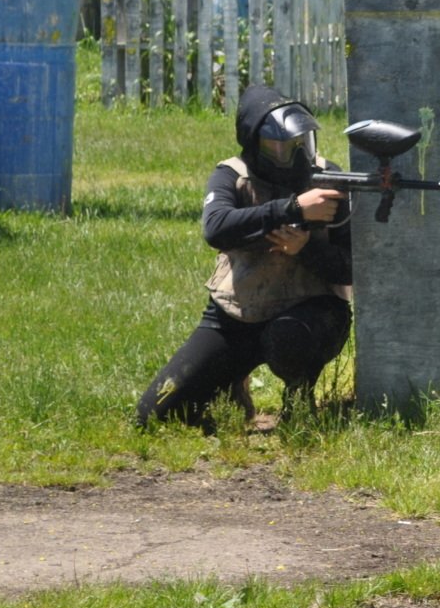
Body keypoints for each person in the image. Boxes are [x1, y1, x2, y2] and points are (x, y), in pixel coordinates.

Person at [136, 86, 352, 430]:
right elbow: (216, 228)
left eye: (301, 143)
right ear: (254, 143)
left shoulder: (329, 177)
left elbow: (351, 269)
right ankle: (231, 386)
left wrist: (306, 248)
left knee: (287, 338)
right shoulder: (232, 175)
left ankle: (298, 399)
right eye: (278, 146)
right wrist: (292, 208)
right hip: (238, 312)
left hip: (311, 313)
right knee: (155, 416)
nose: (294, 154)